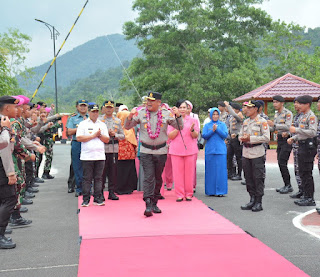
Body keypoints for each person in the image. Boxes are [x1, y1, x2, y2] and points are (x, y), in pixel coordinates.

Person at [125, 92, 182, 217]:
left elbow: (180, 127)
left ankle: (155, 201)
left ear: (159, 103)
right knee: (148, 177)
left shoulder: (166, 114)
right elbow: (127, 126)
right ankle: (148, 203)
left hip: (161, 151)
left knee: (157, 178)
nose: (149, 103)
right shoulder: (140, 113)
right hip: (146, 150)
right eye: (147, 100)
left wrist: (178, 115)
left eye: (152, 100)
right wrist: (130, 116)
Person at [76, 104, 109, 207]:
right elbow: (79, 138)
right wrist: (93, 135)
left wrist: (99, 135)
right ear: (89, 112)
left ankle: (97, 198)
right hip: (87, 156)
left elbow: (107, 139)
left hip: (99, 155)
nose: (95, 114)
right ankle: (86, 199)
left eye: (96, 112)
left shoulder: (102, 124)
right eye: (93, 112)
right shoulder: (83, 124)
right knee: (87, 178)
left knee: (98, 178)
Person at [239, 100, 270, 212]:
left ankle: (258, 201)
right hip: (246, 152)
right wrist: (242, 138)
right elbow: (240, 135)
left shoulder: (262, 122)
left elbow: (266, 138)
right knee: (248, 177)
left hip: (257, 152)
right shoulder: (246, 121)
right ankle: (252, 199)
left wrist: (250, 139)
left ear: (256, 109)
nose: (247, 110)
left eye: (250, 108)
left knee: (258, 178)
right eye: (246, 107)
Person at [288, 95, 318, 206]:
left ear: (307, 104)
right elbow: (302, 133)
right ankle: (305, 195)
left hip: (308, 148)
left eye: (300, 104)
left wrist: (296, 130)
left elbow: (312, 132)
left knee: (306, 173)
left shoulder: (311, 117)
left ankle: (310, 198)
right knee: (302, 172)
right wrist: (294, 138)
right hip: (301, 145)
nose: (298, 106)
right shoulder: (302, 116)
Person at [168, 100, 199, 201]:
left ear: (188, 109)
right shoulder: (172, 120)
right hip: (176, 150)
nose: (182, 109)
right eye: (180, 107)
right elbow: (170, 136)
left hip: (190, 150)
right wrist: (178, 128)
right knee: (177, 173)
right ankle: (180, 194)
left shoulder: (193, 120)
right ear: (176, 109)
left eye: (184, 107)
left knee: (189, 173)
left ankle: (189, 193)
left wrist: (192, 130)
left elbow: (196, 136)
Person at [0, 96, 19, 249]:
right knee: (9, 199)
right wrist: (10, 172)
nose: (16, 110)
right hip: (2, 167)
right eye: (14, 107)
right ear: (7, 108)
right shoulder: (3, 122)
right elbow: (4, 146)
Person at [267, 95, 293, 194]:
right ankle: (286, 184)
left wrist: (274, 125)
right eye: (273, 102)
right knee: (280, 162)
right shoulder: (276, 114)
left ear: (282, 103)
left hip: (287, 139)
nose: (274, 104)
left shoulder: (288, 113)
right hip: (280, 140)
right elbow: (274, 129)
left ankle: (288, 185)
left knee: (282, 162)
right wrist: (265, 128)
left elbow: (288, 126)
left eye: (276, 102)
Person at [100, 100, 125, 201]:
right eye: (107, 107)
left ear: (114, 109)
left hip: (114, 149)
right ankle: (100, 192)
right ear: (104, 108)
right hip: (103, 149)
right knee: (102, 172)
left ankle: (111, 192)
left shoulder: (117, 121)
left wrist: (115, 135)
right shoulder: (100, 120)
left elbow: (123, 136)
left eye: (111, 107)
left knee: (113, 172)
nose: (109, 109)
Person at [202, 108, 228, 196]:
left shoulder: (222, 124)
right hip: (210, 150)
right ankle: (211, 191)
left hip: (220, 151)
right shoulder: (207, 125)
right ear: (210, 115)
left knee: (221, 172)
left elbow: (224, 135)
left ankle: (220, 191)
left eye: (217, 114)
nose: (215, 116)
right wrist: (212, 131)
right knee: (210, 171)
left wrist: (217, 130)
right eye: (213, 114)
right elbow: (204, 136)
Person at [66, 100, 89, 197]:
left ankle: (88, 188)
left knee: (89, 166)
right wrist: (82, 127)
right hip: (77, 143)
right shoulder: (73, 118)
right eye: (81, 106)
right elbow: (69, 132)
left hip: (88, 143)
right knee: (77, 166)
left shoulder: (91, 117)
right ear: (77, 107)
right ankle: (79, 188)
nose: (83, 108)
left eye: (85, 106)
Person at [116, 110, 138, 195]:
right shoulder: (117, 127)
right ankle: (120, 188)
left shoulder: (130, 128)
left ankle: (129, 187)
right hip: (120, 153)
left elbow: (134, 140)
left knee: (129, 170)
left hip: (129, 153)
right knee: (121, 170)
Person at [225, 101, 243, 181]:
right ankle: (231, 172)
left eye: (232, 109)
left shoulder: (239, 116)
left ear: (236, 109)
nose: (230, 110)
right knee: (229, 155)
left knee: (238, 157)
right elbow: (229, 127)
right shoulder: (231, 117)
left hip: (237, 138)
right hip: (231, 138)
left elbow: (235, 115)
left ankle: (239, 174)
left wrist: (228, 106)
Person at [290, 99, 303, 199]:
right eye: (294, 103)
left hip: (303, 146)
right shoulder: (297, 116)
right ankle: (301, 189)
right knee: (297, 169)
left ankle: (306, 193)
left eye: (298, 103)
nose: (295, 105)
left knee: (304, 171)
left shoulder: (307, 116)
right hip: (296, 146)